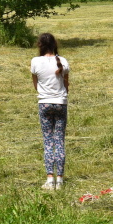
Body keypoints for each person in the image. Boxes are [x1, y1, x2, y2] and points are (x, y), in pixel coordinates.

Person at [31, 33, 70, 190]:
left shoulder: (35, 61)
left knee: (48, 141)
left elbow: (35, 84)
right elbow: (66, 84)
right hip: (61, 103)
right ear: (55, 45)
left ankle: (49, 179)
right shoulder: (63, 61)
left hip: (44, 103)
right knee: (59, 140)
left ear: (40, 45)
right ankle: (60, 180)